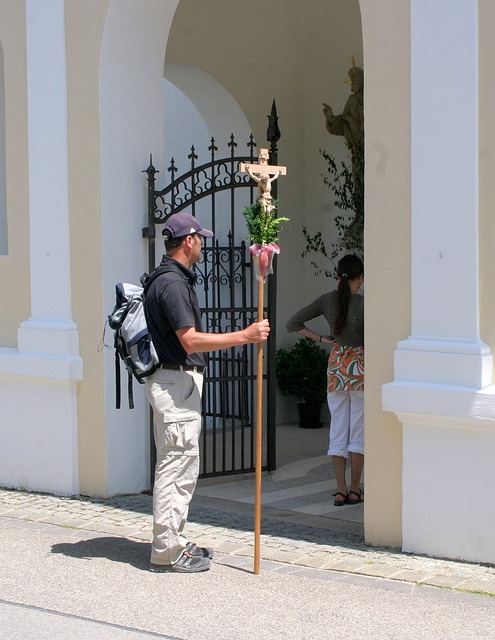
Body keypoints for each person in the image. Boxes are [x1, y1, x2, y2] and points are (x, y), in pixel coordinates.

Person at [144, 212, 270, 573]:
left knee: (183, 463)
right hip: (175, 384)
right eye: (200, 238)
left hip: (175, 383)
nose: (203, 244)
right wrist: (244, 336)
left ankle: (174, 540)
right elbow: (190, 339)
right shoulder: (170, 284)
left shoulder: (168, 278)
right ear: (189, 241)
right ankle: (167, 550)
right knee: (176, 465)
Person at [286, 254, 364, 507]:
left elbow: (293, 323)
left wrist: (321, 339)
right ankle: (355, 489)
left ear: (338, 275)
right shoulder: (364, 304)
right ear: (360, 277)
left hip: (337, 366)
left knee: (338, 428)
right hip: (361, 368)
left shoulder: (327, 300)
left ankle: (339, 489)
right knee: (359, 430)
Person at [322, 65, 364, 237]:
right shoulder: (351, 101)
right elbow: (341, 126)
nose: (352, 85)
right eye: (351, 82)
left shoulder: (369, 99)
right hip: (356, 151)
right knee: (358, 183)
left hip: (367, 150)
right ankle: (360, 214)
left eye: (355, 81)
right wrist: (331, 118)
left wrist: (353, 122)